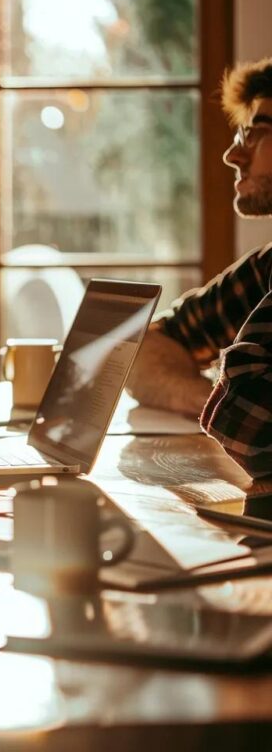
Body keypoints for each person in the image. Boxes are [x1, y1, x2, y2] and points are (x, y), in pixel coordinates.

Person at [128, 56, 272, 478]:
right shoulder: (265, 269)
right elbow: (146, 350)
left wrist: (230, 404)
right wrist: (214, 397)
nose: (232, 154)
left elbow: (256, 432)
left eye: (256, 133)